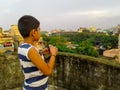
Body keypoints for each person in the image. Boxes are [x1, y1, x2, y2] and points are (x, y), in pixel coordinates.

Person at [17, 15, 58, 90]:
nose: (40, 32)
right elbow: (47, 71)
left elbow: (30, 59)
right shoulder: (31, 50)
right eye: (39, 29)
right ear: (33, 32)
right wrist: (53, 55)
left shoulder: (22, 47)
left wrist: (41, 53)